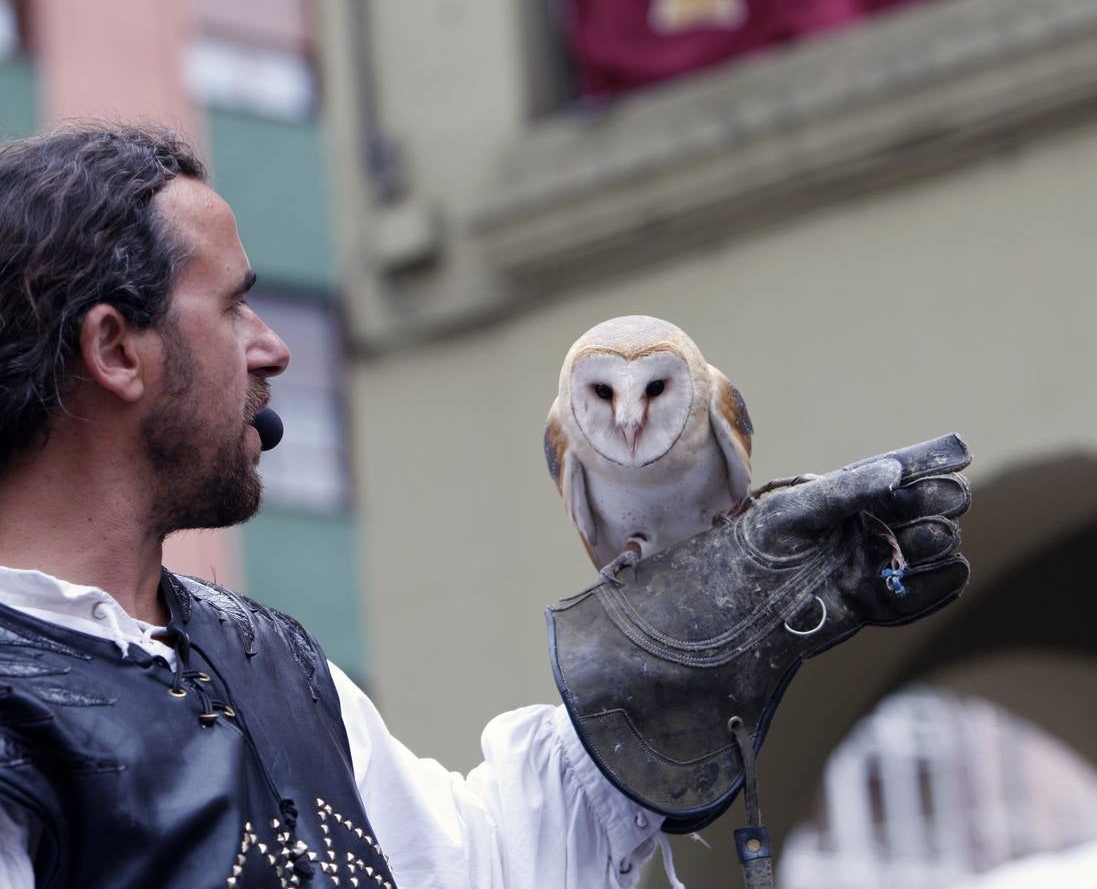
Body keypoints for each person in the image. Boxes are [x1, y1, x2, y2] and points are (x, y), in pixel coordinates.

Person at [0, 123, 972, 889]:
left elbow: (484, 866)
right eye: (232, 307)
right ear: (116, 350)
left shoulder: (270, 664)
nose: (272, 348)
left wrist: (703, 632)